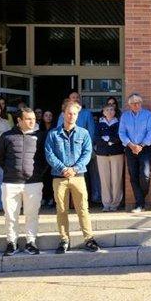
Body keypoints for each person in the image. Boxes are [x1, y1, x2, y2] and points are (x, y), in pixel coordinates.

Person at [45, 102, 100, 254]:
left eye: (74, 113)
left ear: (78, 115)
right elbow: (49, 154)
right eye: (69, 113)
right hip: (59, 176)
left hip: (78, 176)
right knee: (61, 209)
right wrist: (63, 168)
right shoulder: (53, 134)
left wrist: (74, 169)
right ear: (63, 114)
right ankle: (64, 240)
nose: (71, 116)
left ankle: (89, 239)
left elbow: (87, 153)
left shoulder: (83, 133)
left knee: (83, 208)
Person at [0, 108, 47, 256]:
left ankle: (31, 242)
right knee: (11, 215)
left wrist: (37, 173)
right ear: (19, 120)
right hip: (11, 183)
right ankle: (12, 242)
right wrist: (11, 171)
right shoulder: (7, 136)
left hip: (33, 182)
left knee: (32, 214)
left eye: (34, 119)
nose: (32, 122)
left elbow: (45, 158)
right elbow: (0, 156)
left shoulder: (40, 136)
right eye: (28, 119)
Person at [56, 90, 100, 205]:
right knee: (69, 176)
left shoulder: (86, 113)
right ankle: (71, 203)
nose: (76, 99)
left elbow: (91, 131)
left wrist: (88, 148)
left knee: (88, 175)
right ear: (69, 100)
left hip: (84, 150)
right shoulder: (63, 114)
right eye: (73, 97)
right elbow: (58, 131)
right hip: (67, 151)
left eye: (77, 97)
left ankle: (92, 199)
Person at [119, 93, 151, 213]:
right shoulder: (125, 116)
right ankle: (139, 204)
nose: (136, 105)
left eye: (138, 102)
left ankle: (141, 198)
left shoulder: (148, 115)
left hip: (145, 148)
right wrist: (131, 145)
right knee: (133, 176)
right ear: (129, 105)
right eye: (134, 103)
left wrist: (140, 146)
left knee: (145, 175)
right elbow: (122, 132)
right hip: (130, 148)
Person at [95, 104, 124, 212]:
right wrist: (109, 141)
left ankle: (115, 203)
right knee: (104, 180)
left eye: (112, 109)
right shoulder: (99, 125)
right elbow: (96, 138)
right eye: (107, 110)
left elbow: (119, 137)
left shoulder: (119, 123)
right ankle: (106, 204)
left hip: (117, 154)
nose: (110, 111)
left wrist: (107, 139)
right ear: (103, 112)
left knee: (116, 179)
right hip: (102, 155)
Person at [40, 110, 56, 207]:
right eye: (46, 115)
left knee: (51, 178)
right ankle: (43, 197)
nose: (48, 117)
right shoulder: (39, 128)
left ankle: (50, 198)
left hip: (52, 155)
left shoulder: (55, 128)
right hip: (42, 156)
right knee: (43, 178)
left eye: (50, 115)